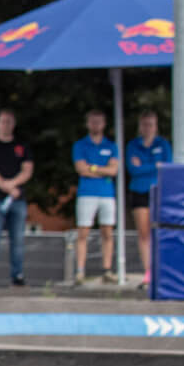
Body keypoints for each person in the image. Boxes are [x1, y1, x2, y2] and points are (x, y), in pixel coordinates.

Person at [0, 108, 33, 287]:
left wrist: (13, 185)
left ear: (14, 124)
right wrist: (5, 185)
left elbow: (27, 170)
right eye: (3, 121)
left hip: (17, 199)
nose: (6, 125)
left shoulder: (22, 146)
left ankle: (17, 276)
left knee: (17, 240)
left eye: (9, 122)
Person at [71, 109, 121, 284]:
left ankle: (107, 270)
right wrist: (101, 170)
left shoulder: (111, 146)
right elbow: (81, 169)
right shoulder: (80, 145)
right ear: (87, 124)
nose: (96, 125)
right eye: (93, 121)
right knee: (83, 232)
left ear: (104, 124)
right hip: (86, 193)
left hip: (106, 194)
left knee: (107, 232)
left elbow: (114, 170)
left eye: (99, 121)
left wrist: (92, 168)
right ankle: (80, 271)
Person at [124, 111, 171, 288]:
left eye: (151, 124)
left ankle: (162, 270)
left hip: (158, 190)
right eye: (144, 124)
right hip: (139, 191)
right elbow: (133, 170)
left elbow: (167, 166)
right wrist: (154, 166)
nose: (147, 128)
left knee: (158, 232)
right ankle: (148, 272)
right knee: (144, 233)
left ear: (156, 126)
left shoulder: (163, 144)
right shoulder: (133, 145)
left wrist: (144, 166)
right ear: (139, 126)